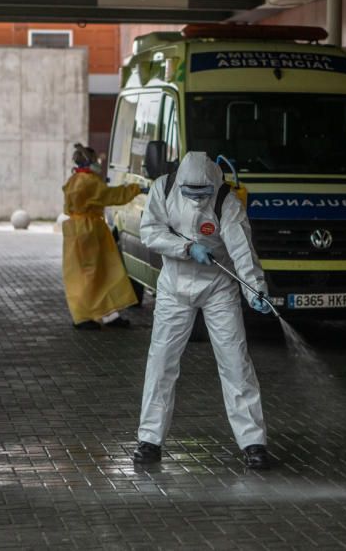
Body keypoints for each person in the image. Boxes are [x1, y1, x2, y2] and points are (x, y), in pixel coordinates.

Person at [133, 151, 273, 470]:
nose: (197, 201)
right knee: (161, 362)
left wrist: (255, 288)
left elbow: (242, 251)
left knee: (235, 361)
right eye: (190, 194)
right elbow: (150, 232)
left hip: (218, 287)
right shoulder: (164, 189)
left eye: (202, 194)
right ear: (180, 184)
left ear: (213, 184)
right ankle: (150, 440)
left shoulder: (227, 202)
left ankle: (253, 442)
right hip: (174, 287)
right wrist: (185, 248)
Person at [62, 144, 145, 330]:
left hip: (81, 231)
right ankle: (84, 317)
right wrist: (135, 189)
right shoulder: (88, 181)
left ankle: (109, 315)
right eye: (97, 161)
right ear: (90, 162)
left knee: (100, 274)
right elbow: (110, 196)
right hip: (88, 232)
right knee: (93, 275)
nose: (99, 164)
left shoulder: (75, 179)